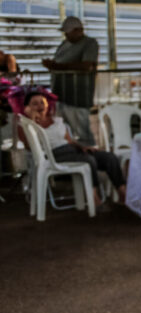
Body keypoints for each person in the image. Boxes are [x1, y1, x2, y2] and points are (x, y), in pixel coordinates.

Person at [21, 92, 125, 206]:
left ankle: (122, 191)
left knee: (108, 157)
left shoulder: (57, 121)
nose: (40, 106)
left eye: (42, 102)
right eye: (35, 104)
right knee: (89, 160)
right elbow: (28, 146)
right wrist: (33, 120)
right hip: (53, 155)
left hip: (71, 150)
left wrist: (83, 147)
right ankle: (93, 196)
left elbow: (69, 141)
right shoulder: (27, 125)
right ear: (27, 108)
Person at [41, 16, 98, 144]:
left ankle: (89, 153)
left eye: (69, 32)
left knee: (82, 131)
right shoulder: (64, 44)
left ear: (79, 30)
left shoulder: (89, 43)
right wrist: (52, 65)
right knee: (63, 130)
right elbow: (58, 62)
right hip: (60, 94)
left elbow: (86, 65)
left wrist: (58, 67)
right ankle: (70, 153)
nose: (66, 35)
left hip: (78, 95)